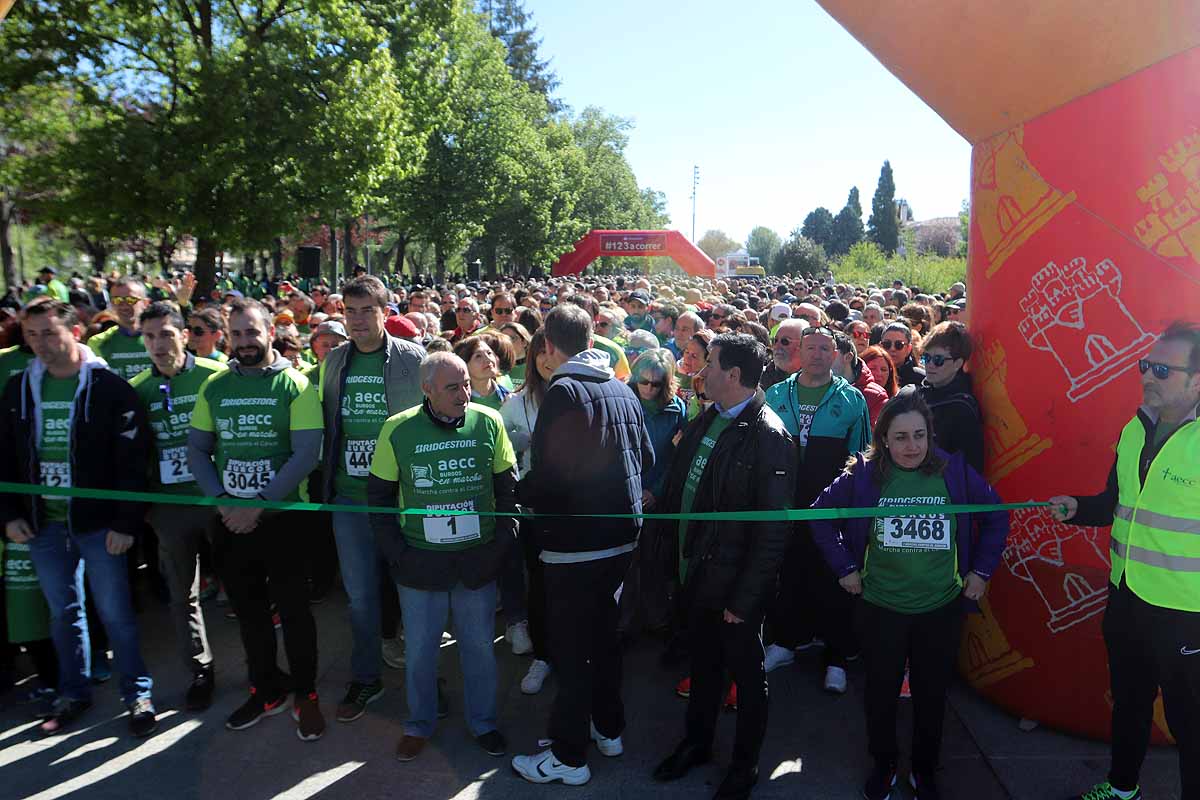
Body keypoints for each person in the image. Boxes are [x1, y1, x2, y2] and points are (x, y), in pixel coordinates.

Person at [810, 387, 1009, 800]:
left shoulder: (952, 470)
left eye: (919, 435)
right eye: (900, 437)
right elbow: (819, 515)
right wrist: (845, 567)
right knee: (881, 693)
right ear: (883, 438)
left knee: (932, 695)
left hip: (940, 607)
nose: (912, 446)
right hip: (881, 607)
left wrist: (982, 571)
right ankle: (883, 765)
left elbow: (996, 514)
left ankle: (924, 769)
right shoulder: (864, 474)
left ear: (930, 435)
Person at [1050, 322, 1200, 800]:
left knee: (1191, 725)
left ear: (1196, 381)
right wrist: (1079, 508)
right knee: (1131, 703)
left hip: (1187, 616)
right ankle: (1121, 790)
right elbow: (1117, 502)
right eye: (1144, 366)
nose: (1147, 377)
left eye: (1161, 369)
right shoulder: (1134, 430)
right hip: (1127, 596)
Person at [512, 304, 654, 786]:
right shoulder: (621, 387)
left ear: (548, 347)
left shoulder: (563, 391)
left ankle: (569, 757)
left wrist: (517, 492)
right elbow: (647, 456)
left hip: (576, 545)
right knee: (605, 641)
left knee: (573, 651)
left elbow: (551, 476)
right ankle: (608, 728)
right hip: (622, 542)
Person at [0, 298, 157, 736]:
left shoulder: (109, 388)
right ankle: (74, 692)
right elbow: (4, 456)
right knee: (63, 613)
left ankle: (137, 693)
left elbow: (133, 461)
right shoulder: (18, 388)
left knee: (116, 613)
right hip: (42, 524)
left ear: (77, 332)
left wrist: (126, 523)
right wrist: (8, 514)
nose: (41, 343)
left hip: (100, 523)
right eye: (32, 335)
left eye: (50, 332)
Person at [649, 334, 794, 800]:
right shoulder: (709, 417)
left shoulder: (769, 436)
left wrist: (745, 598)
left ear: (733, 375)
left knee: (748, 678)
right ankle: (697, 743)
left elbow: (772, 532)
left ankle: (744, 766)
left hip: (734, 588)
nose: (700, 371)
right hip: (698, 574)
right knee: (705, 666)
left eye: (709, 363)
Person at [367, 351, 517, 763]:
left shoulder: (489, 421)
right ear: (427, 389)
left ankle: (484, 723)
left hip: (476, 562)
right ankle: (419, 723)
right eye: (453, 387)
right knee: (419, 651)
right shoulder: (397, 429)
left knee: (479, 649)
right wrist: (399, 556)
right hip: (420, 564)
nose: (464, 393)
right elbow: (378, 500)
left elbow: (508, 492)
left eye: (467, 383)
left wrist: (498, 549)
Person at [187, 298, 326, 740]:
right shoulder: (216, 387)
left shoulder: (296, 385)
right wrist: (224, 501)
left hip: (284, 519)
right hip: (230, 519)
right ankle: (265, 689)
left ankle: (306, 693)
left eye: (253, 332)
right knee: (249, 614)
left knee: (294, 611)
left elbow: (306, 454)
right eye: (238, 333)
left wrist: (259, 502)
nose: (245, 341)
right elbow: (197, 449)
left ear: (270, 333)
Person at [317, 275, 425, 723]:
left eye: (367, 310)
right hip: (350, 498)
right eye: (350, 311)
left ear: (386, 312)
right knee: (359, 597)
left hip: (403, 499)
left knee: (415, 593)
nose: (358, 320)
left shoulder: (414, 359)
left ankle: (424, 682)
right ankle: (366, 678)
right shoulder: (333, 361)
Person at [763, 325, 871, 693]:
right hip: (785, 503)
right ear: (800, 352)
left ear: (837, 354)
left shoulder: (852, 400)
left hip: (831, 507)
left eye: (826, 349)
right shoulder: (776, 394)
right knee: (788, 573)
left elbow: (862, 459)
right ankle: (785, 643)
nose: (817, 355)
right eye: (810, 348)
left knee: (836, 577)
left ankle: (837, 658)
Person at [130, 302, 225, 711]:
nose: (158, 344)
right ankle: (200, 671)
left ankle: (265, 670)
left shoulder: (215, 377)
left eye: (166, 334)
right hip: (168, 507)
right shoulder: (138, 389)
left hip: (218, 502)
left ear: (185, 335)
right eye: (149, 336)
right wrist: (147, 507)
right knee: (180, 594)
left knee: (243, 587)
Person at [500, 329, 553, 694]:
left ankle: (573, 652)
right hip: (535, 510)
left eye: (555, 351)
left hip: (579, 511)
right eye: (541, 352)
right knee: (540, 583)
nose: (549, 359)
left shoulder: (591, 394)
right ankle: (543, 655)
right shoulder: (517, 403)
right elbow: (498, 451)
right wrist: (521, 444)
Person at [917, 321, 984, 473]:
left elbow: (970, 467)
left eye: (938, 360)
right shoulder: (920, 393)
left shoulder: (961, 408)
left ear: (958, 363)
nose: (930, 365)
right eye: (926, 358)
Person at [631, 349, 687, 510]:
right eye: (643, 381)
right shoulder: (622, 399)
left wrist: (655, 491)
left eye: (656, 384)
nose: (648, 388)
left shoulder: (676, 409)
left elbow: (676, 458)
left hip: (655, 497)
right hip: (620, 491)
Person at [86, 277, 154, 382]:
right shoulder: (97, 342)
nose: (124, 306)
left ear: (146, 303)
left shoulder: (160, 338)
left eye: (130, 300)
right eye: (117, 300)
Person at [833, 330, 889, 426]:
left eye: (827, 351)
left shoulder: (876, 396)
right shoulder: (809, 387)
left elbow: (872, 438)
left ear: (848, 357)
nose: (819, 357)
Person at [454, 335, 512, 410]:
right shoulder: (457, 403)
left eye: (489, 353)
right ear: (464, 365)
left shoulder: (509, 396)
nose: (488, 359)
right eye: (478, 356)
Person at [759, 317, 807, 390]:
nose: (777, 346)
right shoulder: (758, 378)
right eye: (775, 340)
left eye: (785, 341)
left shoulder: (817, 379)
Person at [879, 322, 925, 388]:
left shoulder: (921, 379)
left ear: (909, 349)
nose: (892, 349)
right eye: (887, 344)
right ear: (880, 346)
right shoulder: (873, 374)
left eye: (899, 345)